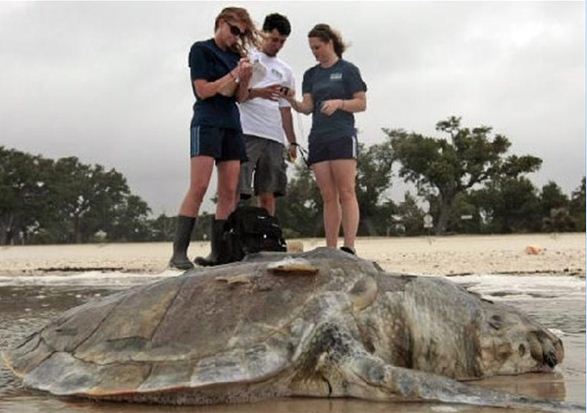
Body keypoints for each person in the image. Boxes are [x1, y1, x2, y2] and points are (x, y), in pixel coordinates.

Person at [169, 7, 260, 270]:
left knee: (229, 191)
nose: (236, 37)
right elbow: (204, 90)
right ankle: (179, 252)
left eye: (241, 33)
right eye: (234, 30)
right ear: (221, 23)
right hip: (207, 122)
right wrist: (232, 74)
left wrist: (244, 78)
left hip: (231, 122)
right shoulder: (201, 49)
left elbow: (239, 97)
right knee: (199, 186)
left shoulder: (236, 56)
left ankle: (219, 252)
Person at [283, 23, 367, 254]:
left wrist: (340, 103)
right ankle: (330, 248)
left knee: (346, 191)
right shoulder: (311, 74)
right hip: (318, 137)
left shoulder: (348, 70)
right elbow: (307, 107)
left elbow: (361, 103)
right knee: (328, 195)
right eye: (311, 49)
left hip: (341, 134)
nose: (315, 52)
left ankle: (349, 246)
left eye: (318, 47)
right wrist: (291, 100)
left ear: (330, 43)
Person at [237, 13, 297, 216]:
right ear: (263, 34)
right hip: (247, 131)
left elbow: (285, 108)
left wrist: (292, 141)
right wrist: (259, 93)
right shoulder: (247, 58)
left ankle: (267, 234)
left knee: (268, 192)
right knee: (238, 189)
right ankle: (231, 236)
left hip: (273, 136)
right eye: (274, 39)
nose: (277, 45)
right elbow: (238, 95)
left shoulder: (286, 71)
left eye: (282, 41)